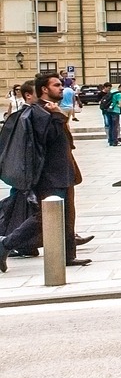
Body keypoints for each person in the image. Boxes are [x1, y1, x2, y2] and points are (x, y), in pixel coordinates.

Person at [0, 72, 90, 272]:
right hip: (49, 175)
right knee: (44, 217)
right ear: (44, 89)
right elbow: (47, 140)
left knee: (67, 215)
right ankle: (5, 245)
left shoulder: (50, 110)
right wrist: (58, 116)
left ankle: (68, 255)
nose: (61, 88)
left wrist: (59, 114)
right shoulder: (39, 112)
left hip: (63, 171)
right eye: (57, 85)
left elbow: (65, 140)